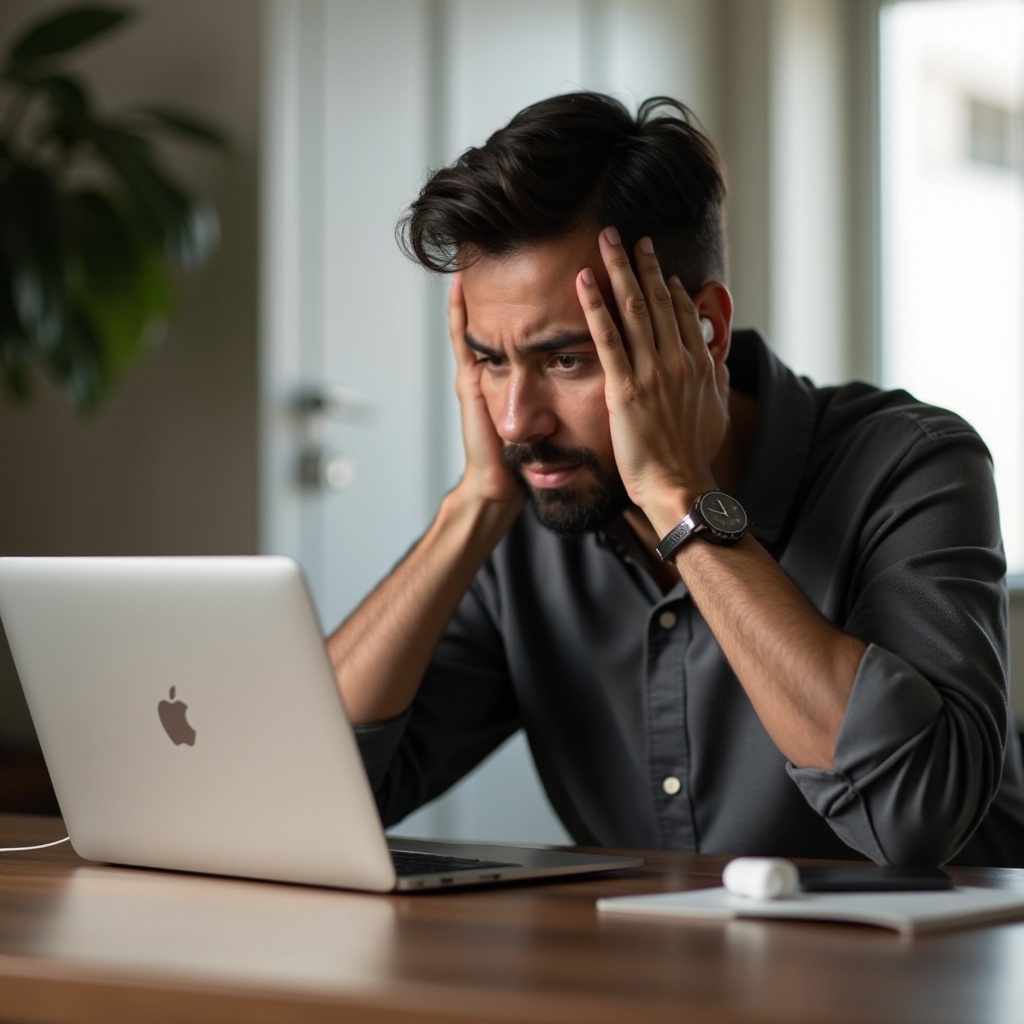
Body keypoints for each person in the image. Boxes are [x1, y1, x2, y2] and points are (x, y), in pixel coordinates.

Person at [327, 91, 1024, 866]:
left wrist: (681, 500)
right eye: (491, 361)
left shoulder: (911, 466)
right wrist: (472, 509)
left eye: (567, 359)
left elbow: (915, 818)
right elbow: (308, 795)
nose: (517, 421)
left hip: (932, 978)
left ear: (706, 331)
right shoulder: (530, 513)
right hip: (652, 985)